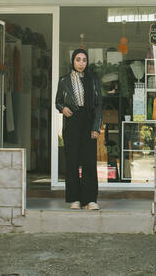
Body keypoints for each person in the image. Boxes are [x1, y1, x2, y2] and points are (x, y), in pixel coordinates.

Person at [55, 49, 102, 210]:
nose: (81, 63)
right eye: (78, 59)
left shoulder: (93, 80)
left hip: (88, 122)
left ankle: (90, 200)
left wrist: (96, 127)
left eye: (84, 60)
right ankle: (74, 199)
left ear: (87, 62)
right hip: (72, 121)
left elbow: (98, 106)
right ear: (73, 62)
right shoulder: (64, 80)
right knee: (72, 161)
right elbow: (58, 101)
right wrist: (62, 109)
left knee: (89, 161)